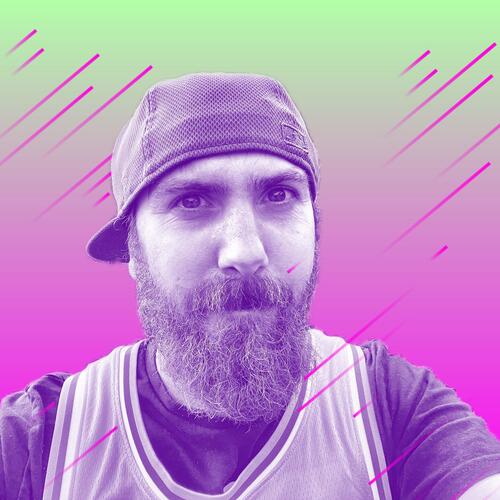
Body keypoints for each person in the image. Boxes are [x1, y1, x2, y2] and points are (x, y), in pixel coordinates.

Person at [1, 72, 500, 500]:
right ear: (133, 248)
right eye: (192, 201)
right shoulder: (39, 440)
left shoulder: (393, 410)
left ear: (316, 227)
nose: (245, 252)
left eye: (279, 194)